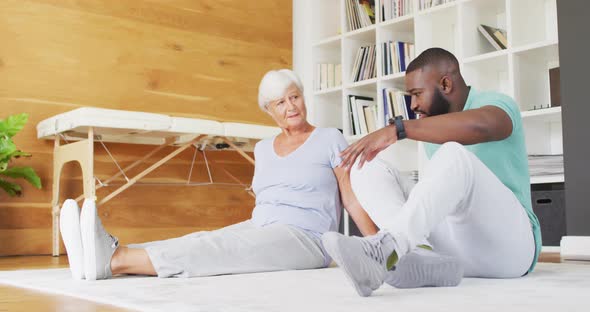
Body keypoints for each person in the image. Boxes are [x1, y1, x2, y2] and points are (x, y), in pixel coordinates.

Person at [59, 69, 380, 280]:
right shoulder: (263, 148)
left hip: (309, 240)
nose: (290, 107)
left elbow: (350, 199)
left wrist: (381, 248)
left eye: (294, 97)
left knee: (220, 252)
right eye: (280, 102)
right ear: (269, 111)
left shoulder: (329, 138)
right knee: (203, 239)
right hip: (262, 225)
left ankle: (114, 261)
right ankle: (101, 254)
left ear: (303, 98)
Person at [322, 48, 541, 297]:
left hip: (511, 248)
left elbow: (483, 126)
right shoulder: (431, 130)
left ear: (445, 84)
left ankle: (388, 251)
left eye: (417, 94)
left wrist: (399, 130)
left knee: (453, 154)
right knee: (365, 167)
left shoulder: (497, 104)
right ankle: (418, 256)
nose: (413, 105)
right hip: (458, 250)